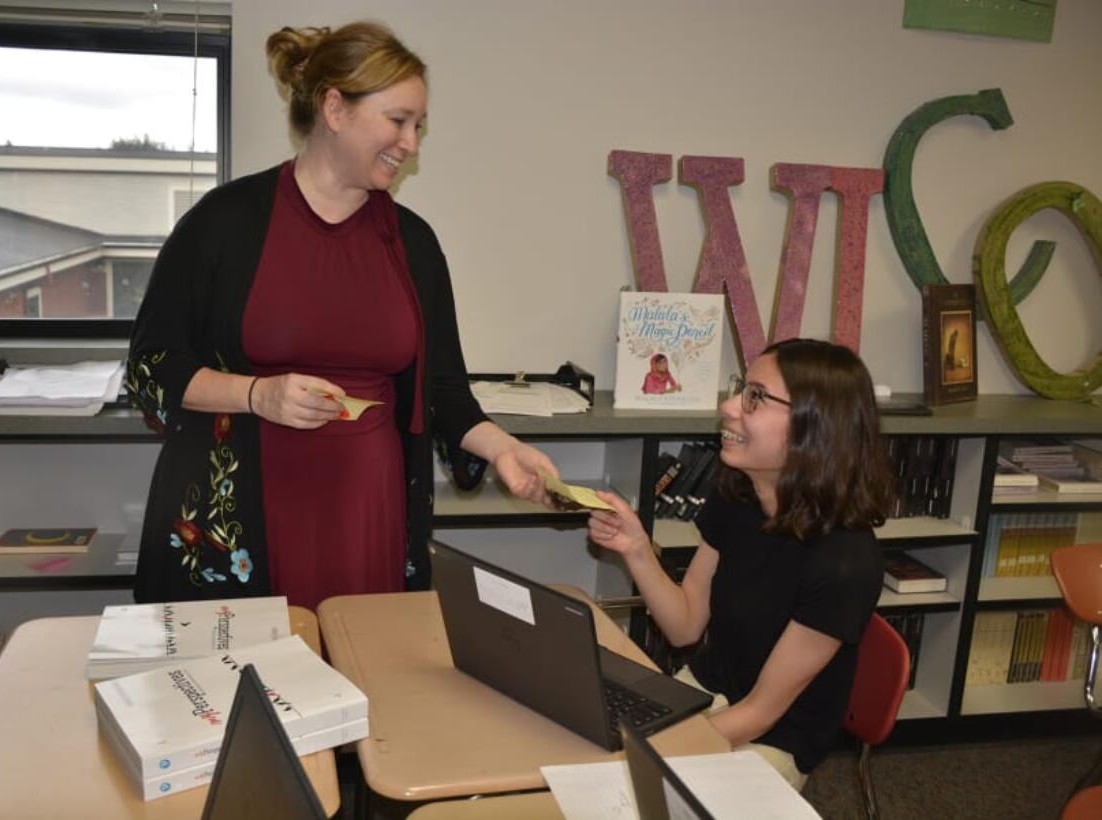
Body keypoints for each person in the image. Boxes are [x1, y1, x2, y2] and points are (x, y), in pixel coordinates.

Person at [126, 22, 556, 609]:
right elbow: (151, 368)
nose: (411, 143)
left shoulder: (413, 245)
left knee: (364, 680)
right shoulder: (223, 224)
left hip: (367, 519)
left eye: (419, 126)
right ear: (334, 108)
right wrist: (258, 395)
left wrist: (504, 448)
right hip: (244, 518)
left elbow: (444, 391)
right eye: (398, 120)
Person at [589, 338, 892, 789]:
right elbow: (686, 625)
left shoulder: (845, 563)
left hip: (776, 736)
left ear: (815, 428)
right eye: (740, 389)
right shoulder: (738, 494)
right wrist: (635, 549)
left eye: (755, 396)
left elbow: (759, 714)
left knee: (640, 789)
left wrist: (647, 748)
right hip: (711, 688)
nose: (729, 407)